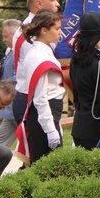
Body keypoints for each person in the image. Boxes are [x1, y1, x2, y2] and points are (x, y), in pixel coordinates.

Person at [18, 9, 65, 165]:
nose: (60, 32)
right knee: (46, 168)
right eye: (57, 28)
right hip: (45, 113)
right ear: (44, 30)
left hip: (51, 112)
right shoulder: (38, 56)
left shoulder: (43, 51)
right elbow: (40, 98)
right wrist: (50, 129)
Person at [12, 0, 60, 130]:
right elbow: (38, 77)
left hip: (35, 99)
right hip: (33, 101)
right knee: (39, 151)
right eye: (53, 0)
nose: (57, 4)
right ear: (39, 4)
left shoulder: (34, 29)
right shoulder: (31, 34)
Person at [69, 12, 100, 150]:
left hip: (80, 123)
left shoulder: (76, 59)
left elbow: (76, 94)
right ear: (98, 34)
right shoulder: (99, 62)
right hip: (95, 124)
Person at [0, 19, 21, 148]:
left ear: (15, 34)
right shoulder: (11, 52)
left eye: (5, 36)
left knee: (30, 144)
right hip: (9, 108)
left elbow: (17, 79)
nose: (4, 39)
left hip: (16, 106)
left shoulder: (19, 52)